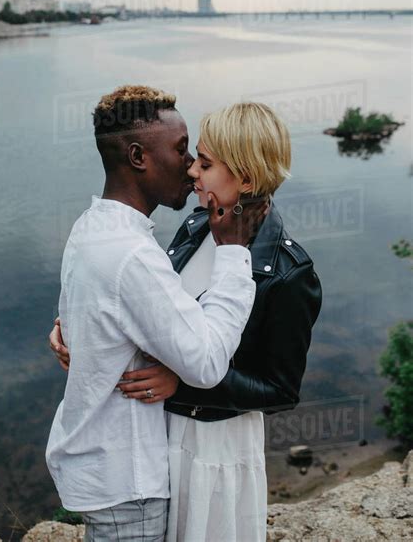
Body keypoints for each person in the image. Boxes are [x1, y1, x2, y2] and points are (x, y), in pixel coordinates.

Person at [52, 100, 322, 541]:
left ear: (247, 177)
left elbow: (280, 391)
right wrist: (83, 328)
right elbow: (148, 309)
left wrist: (185, 381)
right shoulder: (196, 227)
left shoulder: (288, 272)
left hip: (213, 455)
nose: (193, 170)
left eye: (207, 162)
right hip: (157, 442)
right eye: (193, 155)